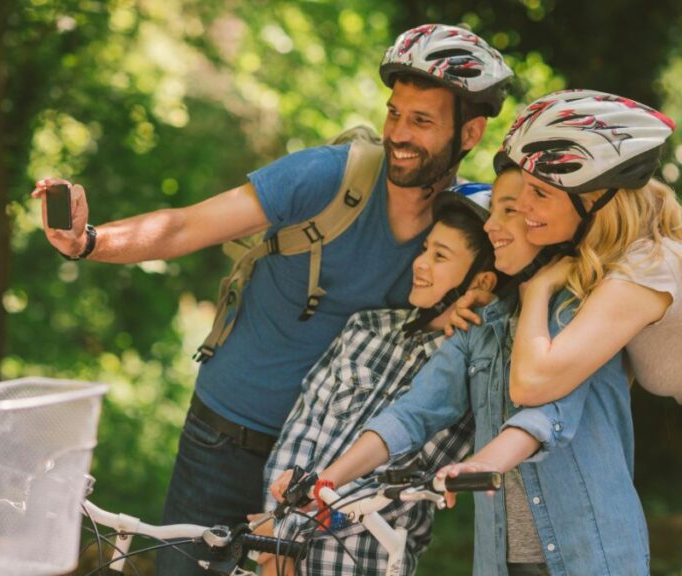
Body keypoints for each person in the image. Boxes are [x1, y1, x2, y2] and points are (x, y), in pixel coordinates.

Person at [33, 24, 515, 574]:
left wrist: (464, 306)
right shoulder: (325, 176)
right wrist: (89, 241)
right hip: (229, 437)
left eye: (422, 121)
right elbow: (185, 226)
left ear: (471, 132)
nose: (399, 133)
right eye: (394, 113)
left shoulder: (467, 232)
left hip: (329, 466)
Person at [271, 167, 650, 575]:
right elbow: (411, 412)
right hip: (503, 560)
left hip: (590, 554)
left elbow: (549, 413)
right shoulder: (481, 326)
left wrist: (482, 463)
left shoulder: (582, 312)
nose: (491, 225)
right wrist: (326, 480)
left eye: (509, 211)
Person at [499, 89, 682, 575]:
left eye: (541, 193)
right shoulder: (646, 252)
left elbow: (531, 383)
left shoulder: (647, 268)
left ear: (594, 198)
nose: (523, 205)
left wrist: (537, 290)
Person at [259, 186, 496, 576]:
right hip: (277, 548)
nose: (420, 264)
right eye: (424, 250)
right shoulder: (364, 328)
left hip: (360, 562)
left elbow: (399, 482)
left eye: (440, 256)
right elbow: (301, 430)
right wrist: (276, 531)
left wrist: (287, 531)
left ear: (482, 281)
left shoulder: (473, 372)